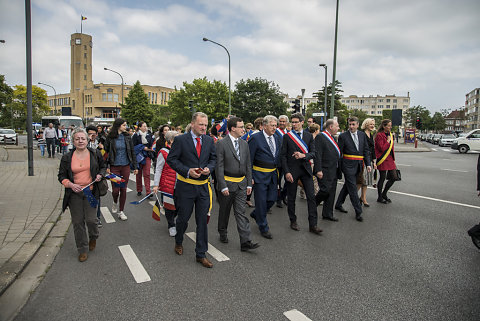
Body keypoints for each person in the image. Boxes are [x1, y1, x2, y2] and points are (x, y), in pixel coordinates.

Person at [166, 112, 216, 268]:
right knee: (182, 219)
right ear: (193, 124)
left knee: (202, 221)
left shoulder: (209, 140)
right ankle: (178, 241)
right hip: (185, 186)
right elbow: (172, 160)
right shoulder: (181, 140)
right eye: (201, 124)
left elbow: (213, 159)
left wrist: (209, 168)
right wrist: (187, 171)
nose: (203, 128)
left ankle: (201, 254)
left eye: (206, 125)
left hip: (203, 187)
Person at [58, 128, 106, 262]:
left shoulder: (95, 153)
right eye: (77, 139)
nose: (80, 141)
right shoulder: (67, 157)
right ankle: (82, 249)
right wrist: (70, 184)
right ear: (73, 141)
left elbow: (103, 167)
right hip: (74, 194)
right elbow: (61, 176)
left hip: (90, 191)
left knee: (91, 220)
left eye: (83, 138)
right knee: (78, 222)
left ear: (87, 140)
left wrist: (100, 175)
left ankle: (93, 236)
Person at [215, 117, 259, 251]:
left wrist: (249, 184)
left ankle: (246, 241)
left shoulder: (244, 144)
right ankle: (222, 232)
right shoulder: (221, 144)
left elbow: (248, 165)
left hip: (241, 184)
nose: (243, 129)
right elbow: (219, 167)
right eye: (241, 127)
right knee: (224, 211)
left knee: (241, 213)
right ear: (233, 128)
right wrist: (222, 185)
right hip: (227, 184)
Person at [281, 113, 321, 234]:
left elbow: (314, 153)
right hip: (292, 171)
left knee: (311, 197)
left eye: (296, 122)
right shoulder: (287, 137)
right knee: (291, 197)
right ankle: (293, 220)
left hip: (306, 170)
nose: (294, 124)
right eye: (292, 122)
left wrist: (304, 155)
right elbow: (282, 156)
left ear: (302, 122)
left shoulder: (309, 136)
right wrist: (286, 172)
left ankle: (313, 225)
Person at [248, 115, 282, 239]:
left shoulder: (277, 138)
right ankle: (263, 226)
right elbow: (249, 159)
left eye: (275, 125)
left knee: (272, 199)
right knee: (261, 202)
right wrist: (249, 176)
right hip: (259, 175)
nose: (274, 128)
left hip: (273, 174)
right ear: (265, 125)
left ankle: (256, 214)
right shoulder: (255, 138)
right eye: (272, 125)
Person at [334, 117, 372, 222]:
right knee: (352, 188)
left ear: (358, 125)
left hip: (359, 165)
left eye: (353, 124)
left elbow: (366, 150)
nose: (351, 126)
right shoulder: (343, 136)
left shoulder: (362, 135)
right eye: (350, 124)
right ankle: (358, 211)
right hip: (347, 165)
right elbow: (339, 152)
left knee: (348, 185)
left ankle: (338, 204)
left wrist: (368, 164)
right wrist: (338, 165)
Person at [104, 118, 138, 221]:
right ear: (118, 126)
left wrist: (135, 166)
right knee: (115, 190)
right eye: (124, 125)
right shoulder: (110, 137)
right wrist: (107, 166)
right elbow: (106, 152)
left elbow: (132, 151)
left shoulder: (127, 137)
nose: (125, 127)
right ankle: (115, 202)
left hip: (125, 166)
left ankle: (121, 211)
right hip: (114, 166)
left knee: (123, 189)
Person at [314, 119, 341, 222]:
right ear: (331, 127)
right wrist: (318, 169)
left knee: (331, 192)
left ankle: (328, 213)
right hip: (325, 169)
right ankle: (313, 204)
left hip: (334, 169)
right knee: (325, 190)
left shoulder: (332, 137)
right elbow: (318, 154)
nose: (338, 128)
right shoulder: (321, 137)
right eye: (337, 126)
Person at [153, 130, 179, 237]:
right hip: (167, 184)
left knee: (179, 206)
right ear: (171, 140)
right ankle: (171, 225)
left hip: (180, 184)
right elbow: (158, 169)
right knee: (169, 206)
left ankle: (172, 219)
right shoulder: (163, 152)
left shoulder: (180, 151)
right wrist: (155, 184)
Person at [375, 119, 397, 204]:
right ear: (384, 126)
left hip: (390, 159)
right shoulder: (379, 135)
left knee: (394, 177)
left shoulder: (390, 135)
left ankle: (384, 193)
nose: (390, 127)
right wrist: (388, 141)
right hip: (383, 159)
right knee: (382, 178)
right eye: (388, 125)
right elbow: (381, 148)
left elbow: (391, 148)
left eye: (390, 125)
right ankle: (379, 197)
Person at [132, 122, 155, 197]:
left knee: (147, 174)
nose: (146, 127)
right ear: (139, 127)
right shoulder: (135, 135)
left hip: (147, 156)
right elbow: (133, 146)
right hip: (138, 156)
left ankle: (148, 191)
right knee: (138, 174)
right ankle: (139, 190)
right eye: (144, 126)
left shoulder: (150, 135)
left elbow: (152, 145)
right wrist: (141, 147)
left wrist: (150, 148)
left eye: (146, 126)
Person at [358, 118, 376, 207]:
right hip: (362, 160)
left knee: (366, 181)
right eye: (370, 124)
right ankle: (352, 196)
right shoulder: (361, 134)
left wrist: (374, 161)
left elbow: (372, 149)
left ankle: (363, 197)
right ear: (366, 125)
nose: (372, 126)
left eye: (373, 124)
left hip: (369, 160)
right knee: (361, 180)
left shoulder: (371, 135)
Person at [275, 115, 289, 208]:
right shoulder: (275, 132)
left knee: (289, 181)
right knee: (278, 182)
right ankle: (278, 199)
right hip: (278, 161)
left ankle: (283, 196)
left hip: (287, 161)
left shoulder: (289, 133)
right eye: (281, 121)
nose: (282, 123)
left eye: (284, 121)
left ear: (287, 123)